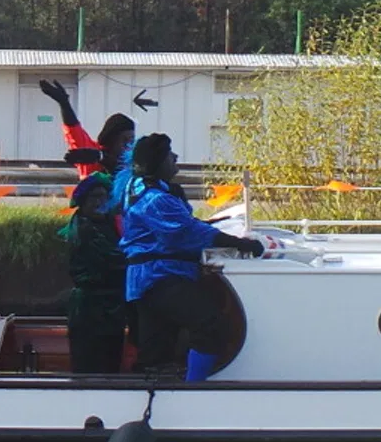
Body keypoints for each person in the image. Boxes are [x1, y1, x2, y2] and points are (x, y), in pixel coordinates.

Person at [118, 133, 264, 382]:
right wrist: (240, 244)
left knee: (159, 346)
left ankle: (165, 386)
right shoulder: (154, 199)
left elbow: (186, 226)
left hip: (155, 277)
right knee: (210, 325)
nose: (175, 158)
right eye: (169, 154)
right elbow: (189, 232)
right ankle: (194, 388)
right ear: (157, 162)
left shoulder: (147, 191)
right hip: (158, 277)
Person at [60, 171, 127, 373]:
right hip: (90, 309)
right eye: (94, 197)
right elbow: (116, 260)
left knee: (111, 363)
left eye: (104, 197)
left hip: (111, 307)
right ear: (82, 201)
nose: (100, 202)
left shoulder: (106, 224)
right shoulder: (84, 229)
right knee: (91, 366)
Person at [37, 80, 134, 180]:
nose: (128, 146)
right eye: (125, 140)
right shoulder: (91, 154)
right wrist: (64, 104)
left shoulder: (133, 161)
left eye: (132, 140)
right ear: (112, 139)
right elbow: (74, 130)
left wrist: (102, 158)